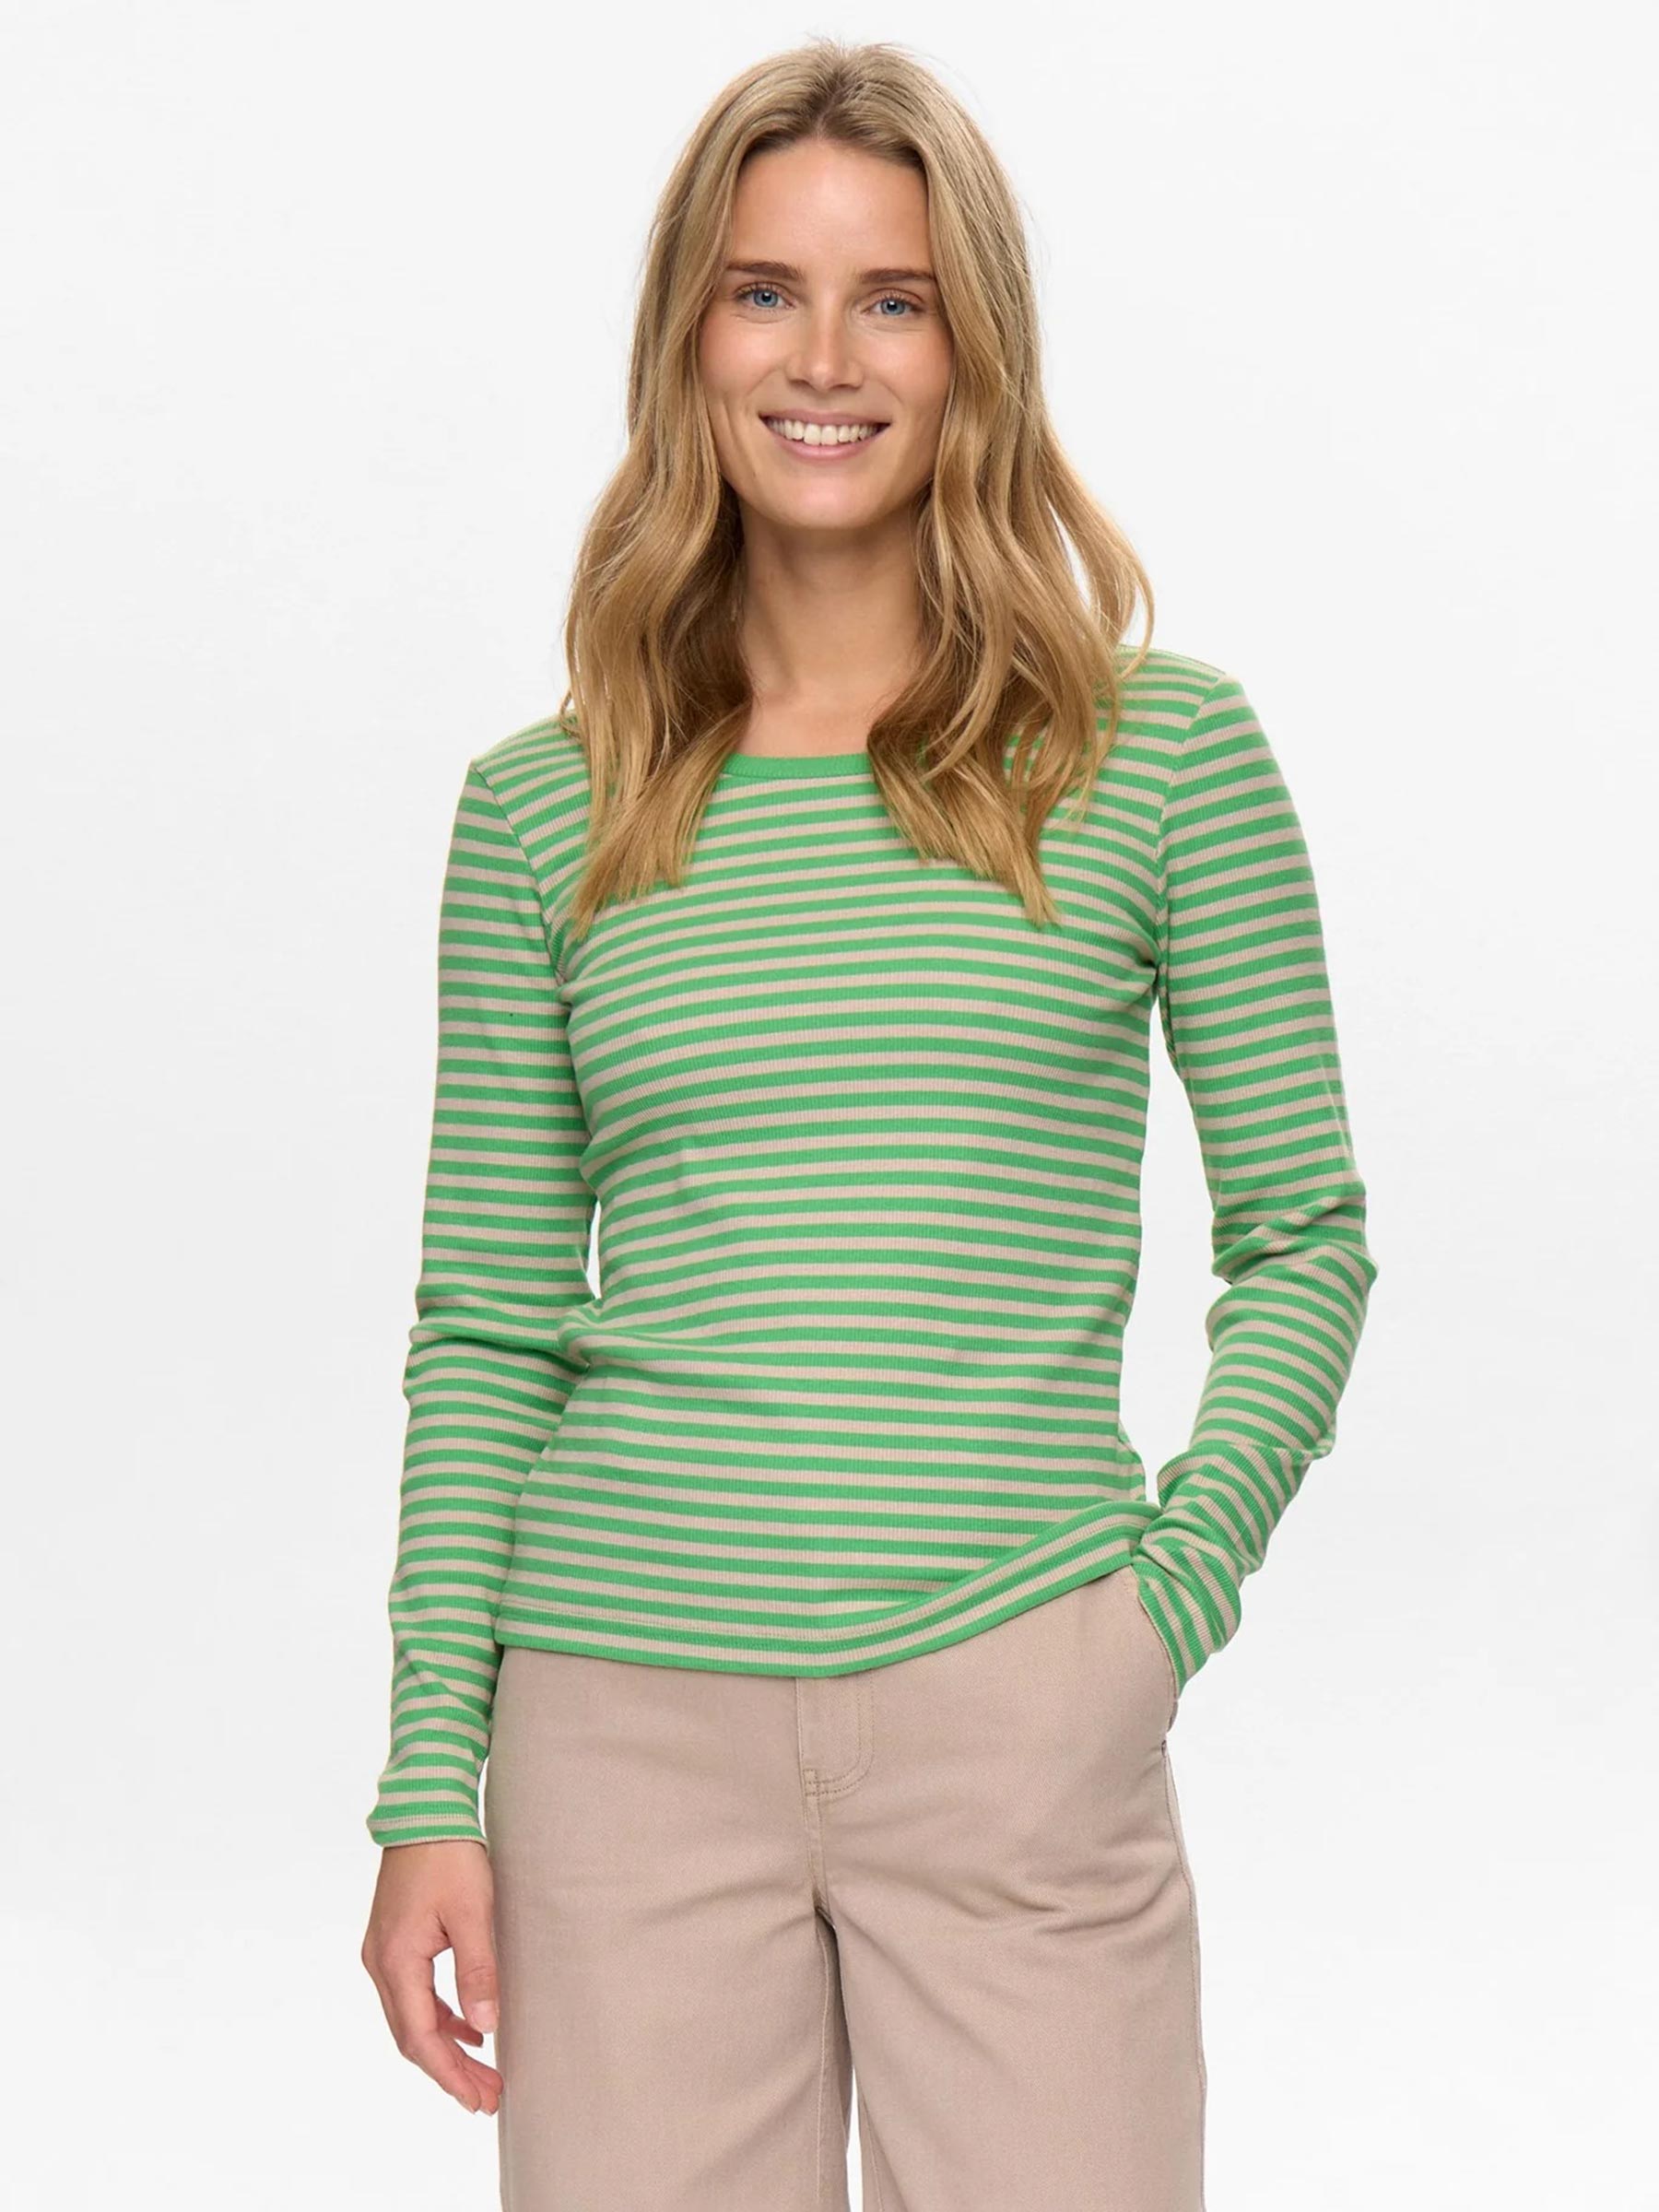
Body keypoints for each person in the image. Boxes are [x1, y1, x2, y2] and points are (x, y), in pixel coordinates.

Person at [359, 37, 1378, 2212]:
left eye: (891, 300)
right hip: (620, 1730)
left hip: (1018, 1707)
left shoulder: (1159, 761)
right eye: (766, 292)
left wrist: (1155, 1613)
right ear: (689, 338)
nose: (823, 359)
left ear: (970, 346)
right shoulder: (545, 810)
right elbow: (490, 1328)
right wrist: (430, 1781)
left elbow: (1304, 1238)